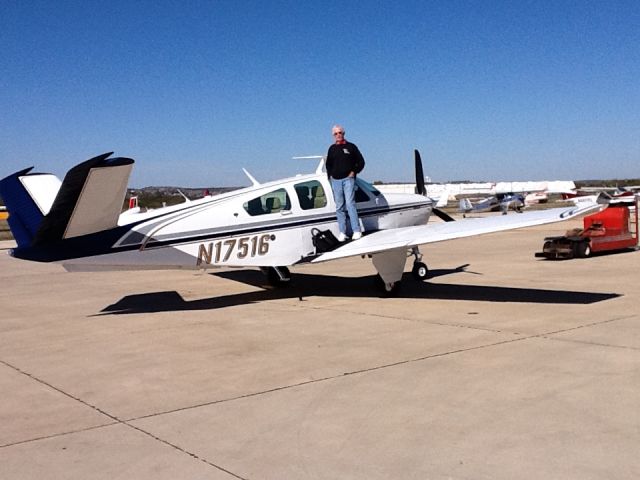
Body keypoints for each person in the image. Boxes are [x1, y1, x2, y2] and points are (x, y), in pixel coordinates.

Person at [326, 125, 365, 241]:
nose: (338, 135)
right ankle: (342, 232)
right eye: (335, 133)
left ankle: (356, 230)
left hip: (348, 179)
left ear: (344, 133)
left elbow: (361, 162)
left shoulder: (351, 147)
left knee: (350, 203)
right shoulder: (332, 148)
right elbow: (328, 164)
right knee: (339, 206)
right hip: (335, 180)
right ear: (333, 135)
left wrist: (354, 172)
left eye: (340, 133)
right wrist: (331, 176)